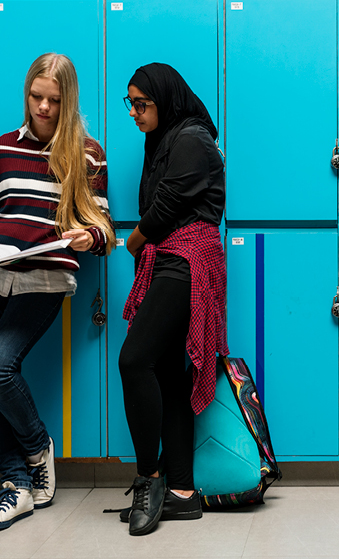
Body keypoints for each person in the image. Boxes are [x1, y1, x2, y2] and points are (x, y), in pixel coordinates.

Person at [0, 53, 114, 530]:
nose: (44, 108)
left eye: (54, 100)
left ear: (68, 100)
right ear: (27, 94)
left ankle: (37, 448)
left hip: (44, 277)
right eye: (37, 97)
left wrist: (85, 236)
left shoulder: (88, 154)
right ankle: (15, 487)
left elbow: (103, 229)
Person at [116, 63, 227, 536]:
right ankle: (182, 491)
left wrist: (135, 240)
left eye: (142, 104)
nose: (136, 113)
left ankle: (150, 478)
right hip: (172, 260)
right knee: (164, 372)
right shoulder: (164, 140)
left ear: (166, 98)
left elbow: (166, 206)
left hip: (187, 260)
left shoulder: (191, 138)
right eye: (131, 105)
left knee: (133, 360)